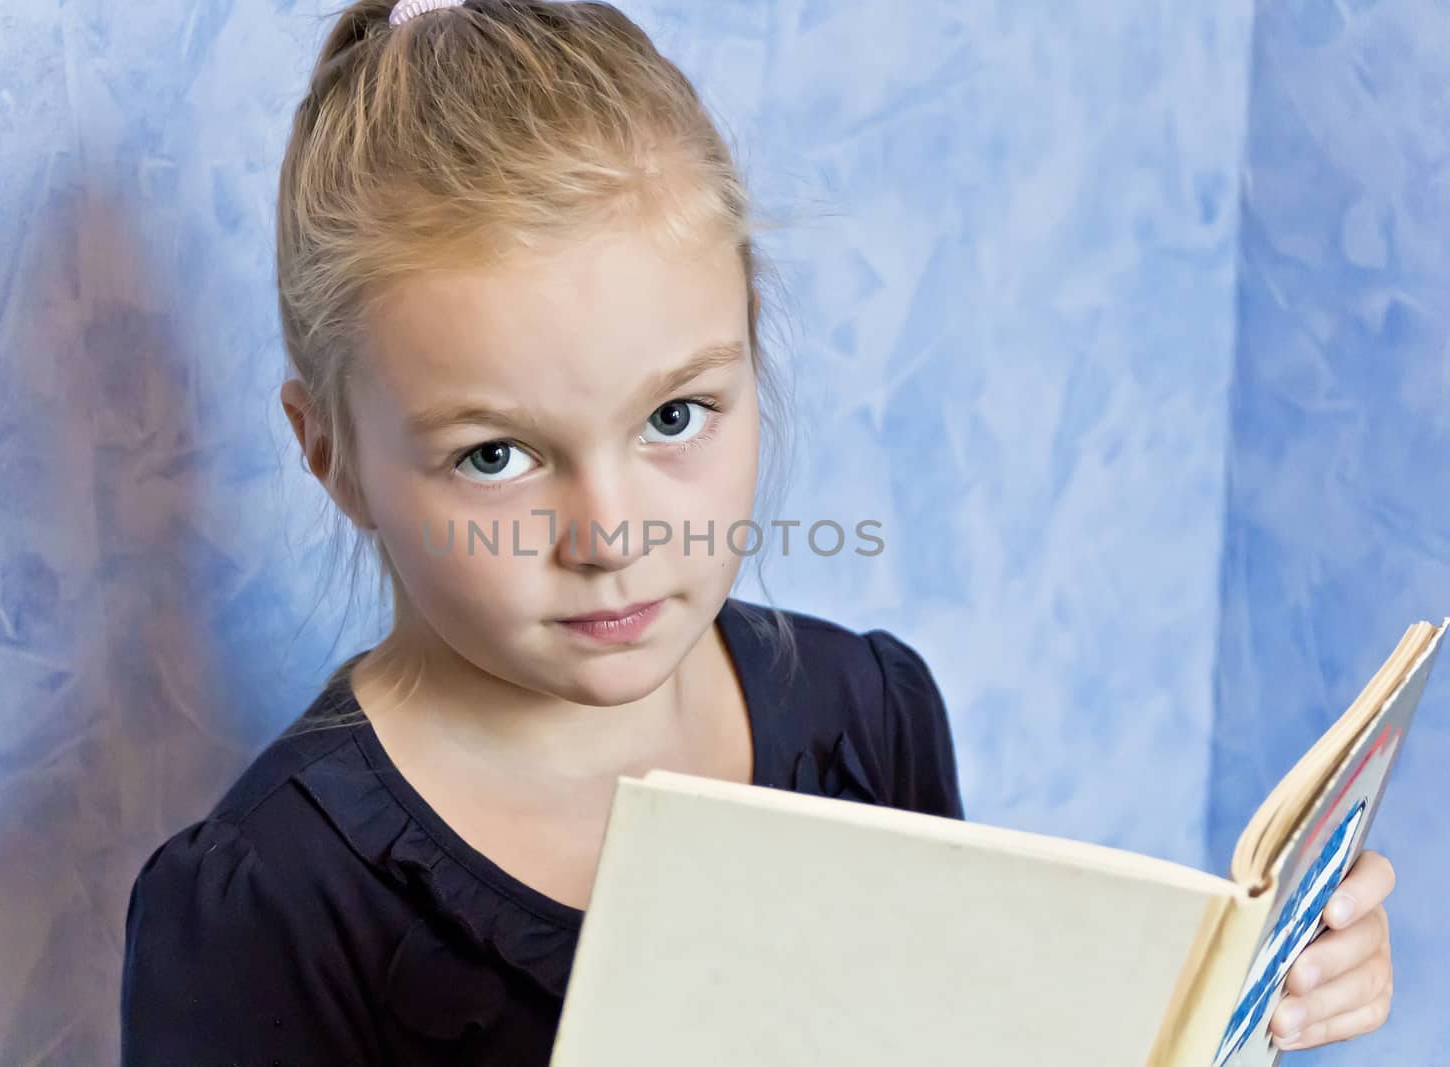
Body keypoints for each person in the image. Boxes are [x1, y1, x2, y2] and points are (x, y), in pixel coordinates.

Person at [118, 1, 1398, 1063]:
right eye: (496, 455)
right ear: (328, 451)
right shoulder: (267, 905)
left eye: (676, 413)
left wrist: (1251, 996)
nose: (611, 534)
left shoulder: (866, 715)